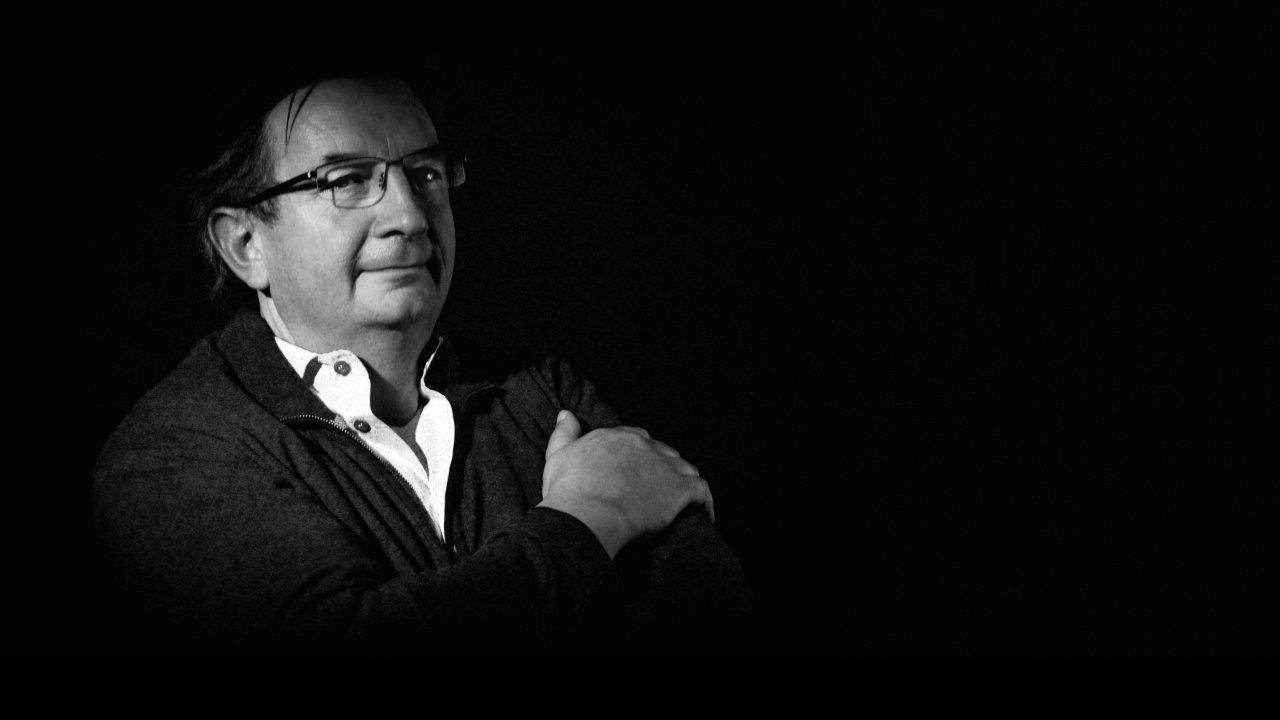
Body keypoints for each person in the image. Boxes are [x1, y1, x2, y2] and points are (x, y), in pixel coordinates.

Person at [92, 66, 751, 656]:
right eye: (348, 181)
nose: (409, 215)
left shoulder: (541, 394)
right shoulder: (172, 452)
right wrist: (593, 514)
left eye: (426, 173)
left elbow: (711, 610)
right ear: (245, 244)